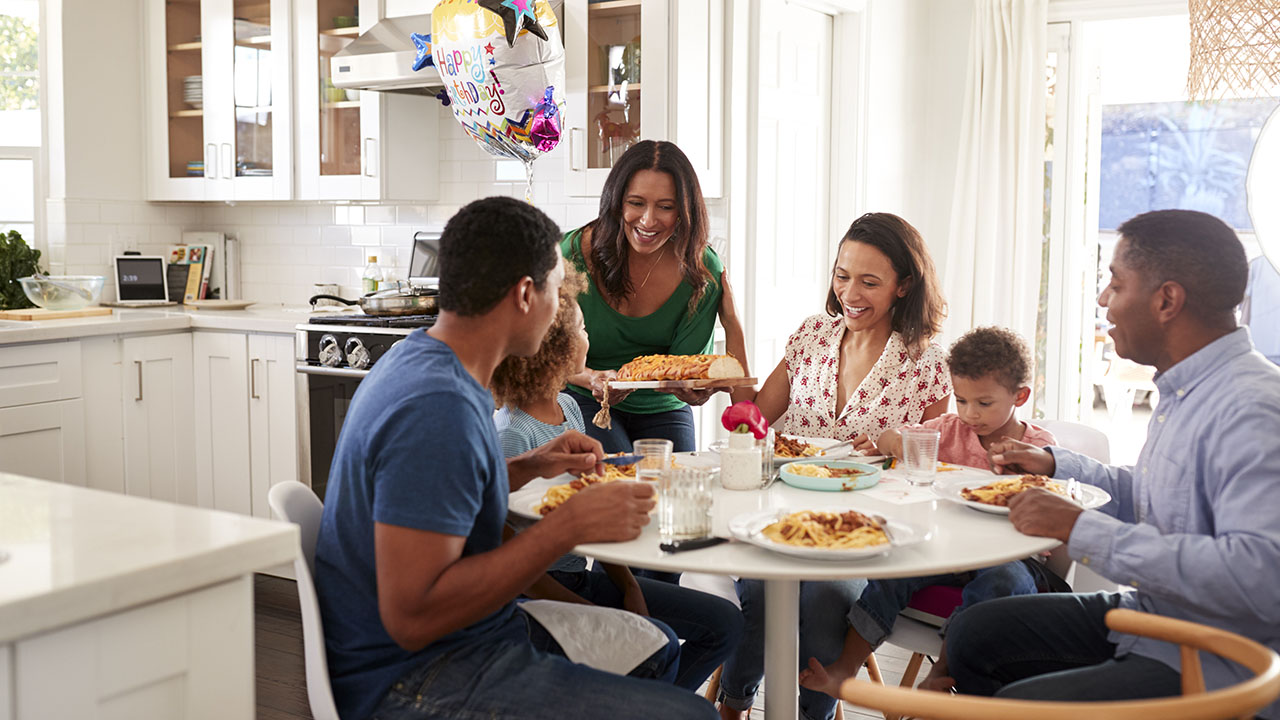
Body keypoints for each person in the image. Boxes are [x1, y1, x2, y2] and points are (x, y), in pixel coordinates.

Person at [313, 197, 718, 720]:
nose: (562, 308)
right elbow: (411, 617)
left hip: (466, 636)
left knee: (654, 649)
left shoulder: (423, 359)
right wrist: (563, 528)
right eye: (558, 289)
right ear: (526, 294)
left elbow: (435, 497)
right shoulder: (436, 406)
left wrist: (528, 467)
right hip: (413, 674)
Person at [943, 210, 1280, 720]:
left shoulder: (1250, 408)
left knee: (1017, 709)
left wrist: (1083, 530)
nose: (1103, 300)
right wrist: (1055, 464)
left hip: (1217, 658)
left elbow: (1260, 578)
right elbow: (1157, 499)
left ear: (1167, 300)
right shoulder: (1186, 390)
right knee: (974, 632)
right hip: (1156, 617)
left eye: (1115, 283)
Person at [717, 212, 952, 720]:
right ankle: (732, 708)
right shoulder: (811, 337)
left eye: (870, 281)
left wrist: (895, 445)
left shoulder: (927, 365)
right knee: (759, 588)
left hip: (862, 531)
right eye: (842, 276)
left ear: (903, 286)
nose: (851, 292)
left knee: (825, 598)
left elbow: (940, 463)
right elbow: (753, 419)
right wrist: (730, 336)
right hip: (778, 519)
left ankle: (813, 716)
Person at [491, 263, 745, 692]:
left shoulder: (569, 411)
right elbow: (508, 560)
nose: (590, 337)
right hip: (537, 596)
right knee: (655, 643)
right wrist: (584, 609)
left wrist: (629, 587)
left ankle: (650, 705)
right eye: (583, 328)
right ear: (557, 347)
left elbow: (589, 505)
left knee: (725, 624)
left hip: (583, 577)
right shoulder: (511, 433)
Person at [798, 326, 1057, 699]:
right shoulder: (948, 431)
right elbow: (890, 437)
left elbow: (1049, 506)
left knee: (1003, 582)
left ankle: (943, 673)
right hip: (949, 549)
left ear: (1020, 396)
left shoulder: (1037, 446)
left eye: (984, 404)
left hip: (1009, 553)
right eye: (962, 400)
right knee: (896, 570)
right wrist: (896, 444)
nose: (970, 414)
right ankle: (845, 668)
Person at [563, 140, 749, 454]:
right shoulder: (572, 256)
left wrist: (693, 389)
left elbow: (682, 367)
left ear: (684, 210)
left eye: (665, 206)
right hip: (584, 396)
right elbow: (544, 357)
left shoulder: (701, 272)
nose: (648, 220)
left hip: (662, 406)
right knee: (623, 478)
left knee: (677, 482)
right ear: (617, 202)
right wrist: (591, 377)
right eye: (636, 203)